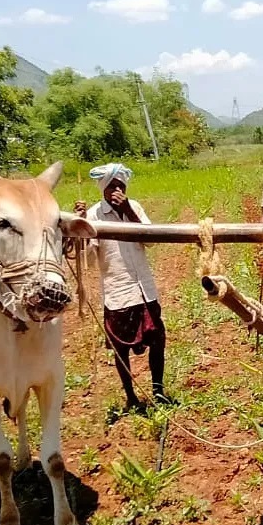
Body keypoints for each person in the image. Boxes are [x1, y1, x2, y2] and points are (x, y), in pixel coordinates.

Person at [74, 163, 169, 412]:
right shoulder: (94, 215)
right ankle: (131, 397)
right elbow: (88, 258)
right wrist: (80, 225)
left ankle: (158, 392)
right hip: (119, 293)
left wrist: (127, 209)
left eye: (121, 186)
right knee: (120, 350)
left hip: (144, 289)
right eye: (112, 186)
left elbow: (150, 239)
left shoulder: (134, 206)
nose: (117, 190)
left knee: (158, 341)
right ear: (103, 190)